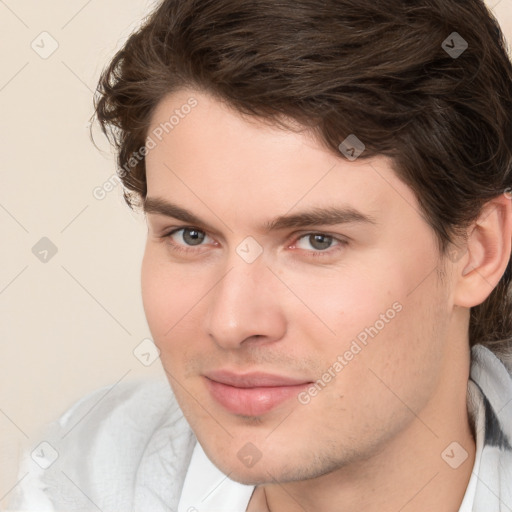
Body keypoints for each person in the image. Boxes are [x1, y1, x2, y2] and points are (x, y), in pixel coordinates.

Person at [8, 0, 512, 510]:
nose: (231, 322)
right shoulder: (86, 473)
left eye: (318, 241)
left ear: (477, 251)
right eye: (190, 235)